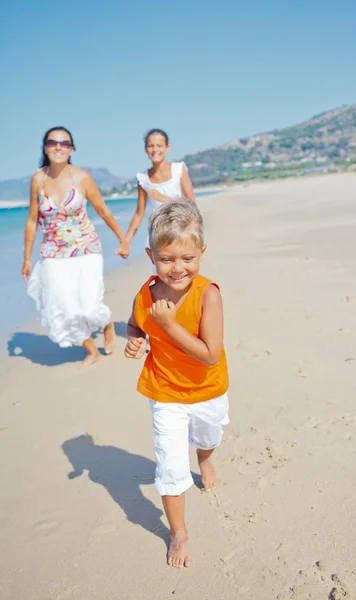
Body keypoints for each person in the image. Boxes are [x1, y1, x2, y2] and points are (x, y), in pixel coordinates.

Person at [124, 200, 229, 568]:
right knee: (170, 465)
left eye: (187, 258)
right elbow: (135, 322)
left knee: (208, 436)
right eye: (167, 259)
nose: (177, 268)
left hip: (206, 389)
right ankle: (178, 531)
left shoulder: (207, 294)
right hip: (164, 390)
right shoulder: (147, 294)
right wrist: (134, 338)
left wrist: (169, 326)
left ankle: (206, 460)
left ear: (201, 251)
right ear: (151, 255)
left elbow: (210, 354)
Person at [22, 126, 130, 368]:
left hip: (86, 248)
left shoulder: (81, 177)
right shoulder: (38, 179)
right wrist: (27, 258)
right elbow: (31, 220)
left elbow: (103, 210)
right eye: (52, 142)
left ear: (71, 149)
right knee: (65, 309)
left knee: (90, 308)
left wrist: (122, 239)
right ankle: (91, 351)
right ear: (45, 146)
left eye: (64, 143)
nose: (58, 147)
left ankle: (107, 323)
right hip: (52, 253)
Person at [125, 129, 195, 246]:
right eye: (151, 146)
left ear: (168, 147)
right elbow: (139, 214)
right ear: (145, 149)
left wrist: (164, 199)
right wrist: (126, 242)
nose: (155, 150)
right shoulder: (143, 178)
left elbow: (191, 203)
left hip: (182, 231)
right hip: (158, 235)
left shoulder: (179, 169)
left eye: (159, 145)